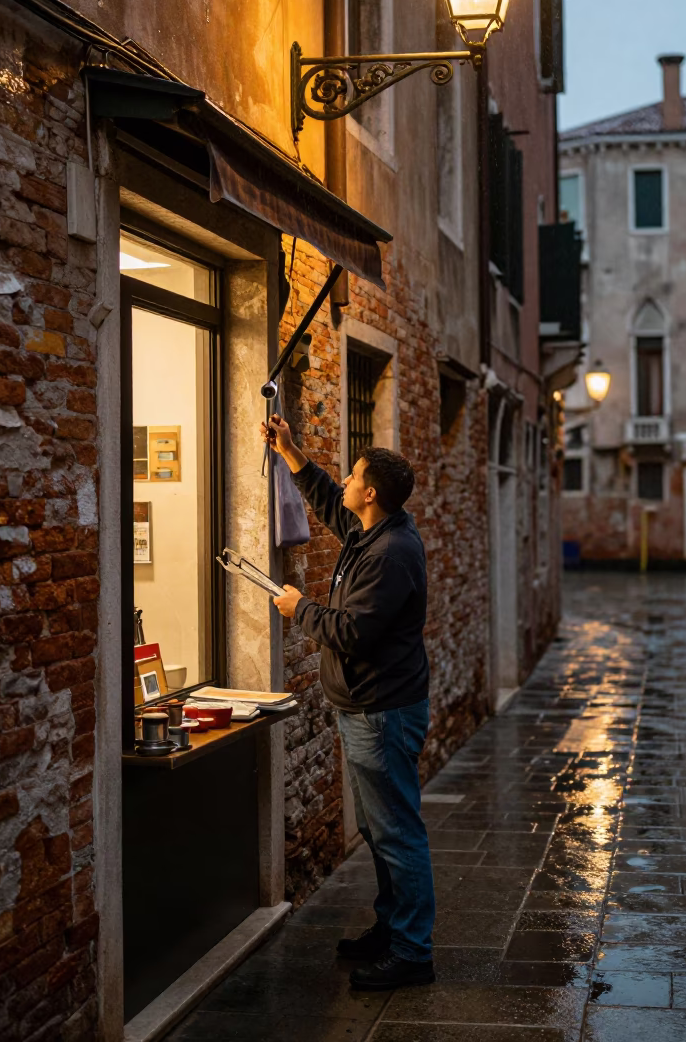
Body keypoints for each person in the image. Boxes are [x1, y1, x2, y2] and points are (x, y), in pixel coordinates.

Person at [262, 413, 435, 990]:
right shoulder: (374, 532)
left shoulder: (390, 554)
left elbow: (353, 632)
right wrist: (291, 452)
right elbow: (332, 506)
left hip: (381, 712)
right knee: (380, 828)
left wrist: (300, 609)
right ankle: (392, 930)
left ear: (372, 493)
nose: (346, 480)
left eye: (353, 475)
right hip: (368, 708)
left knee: (397, 832)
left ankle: (412, 952)